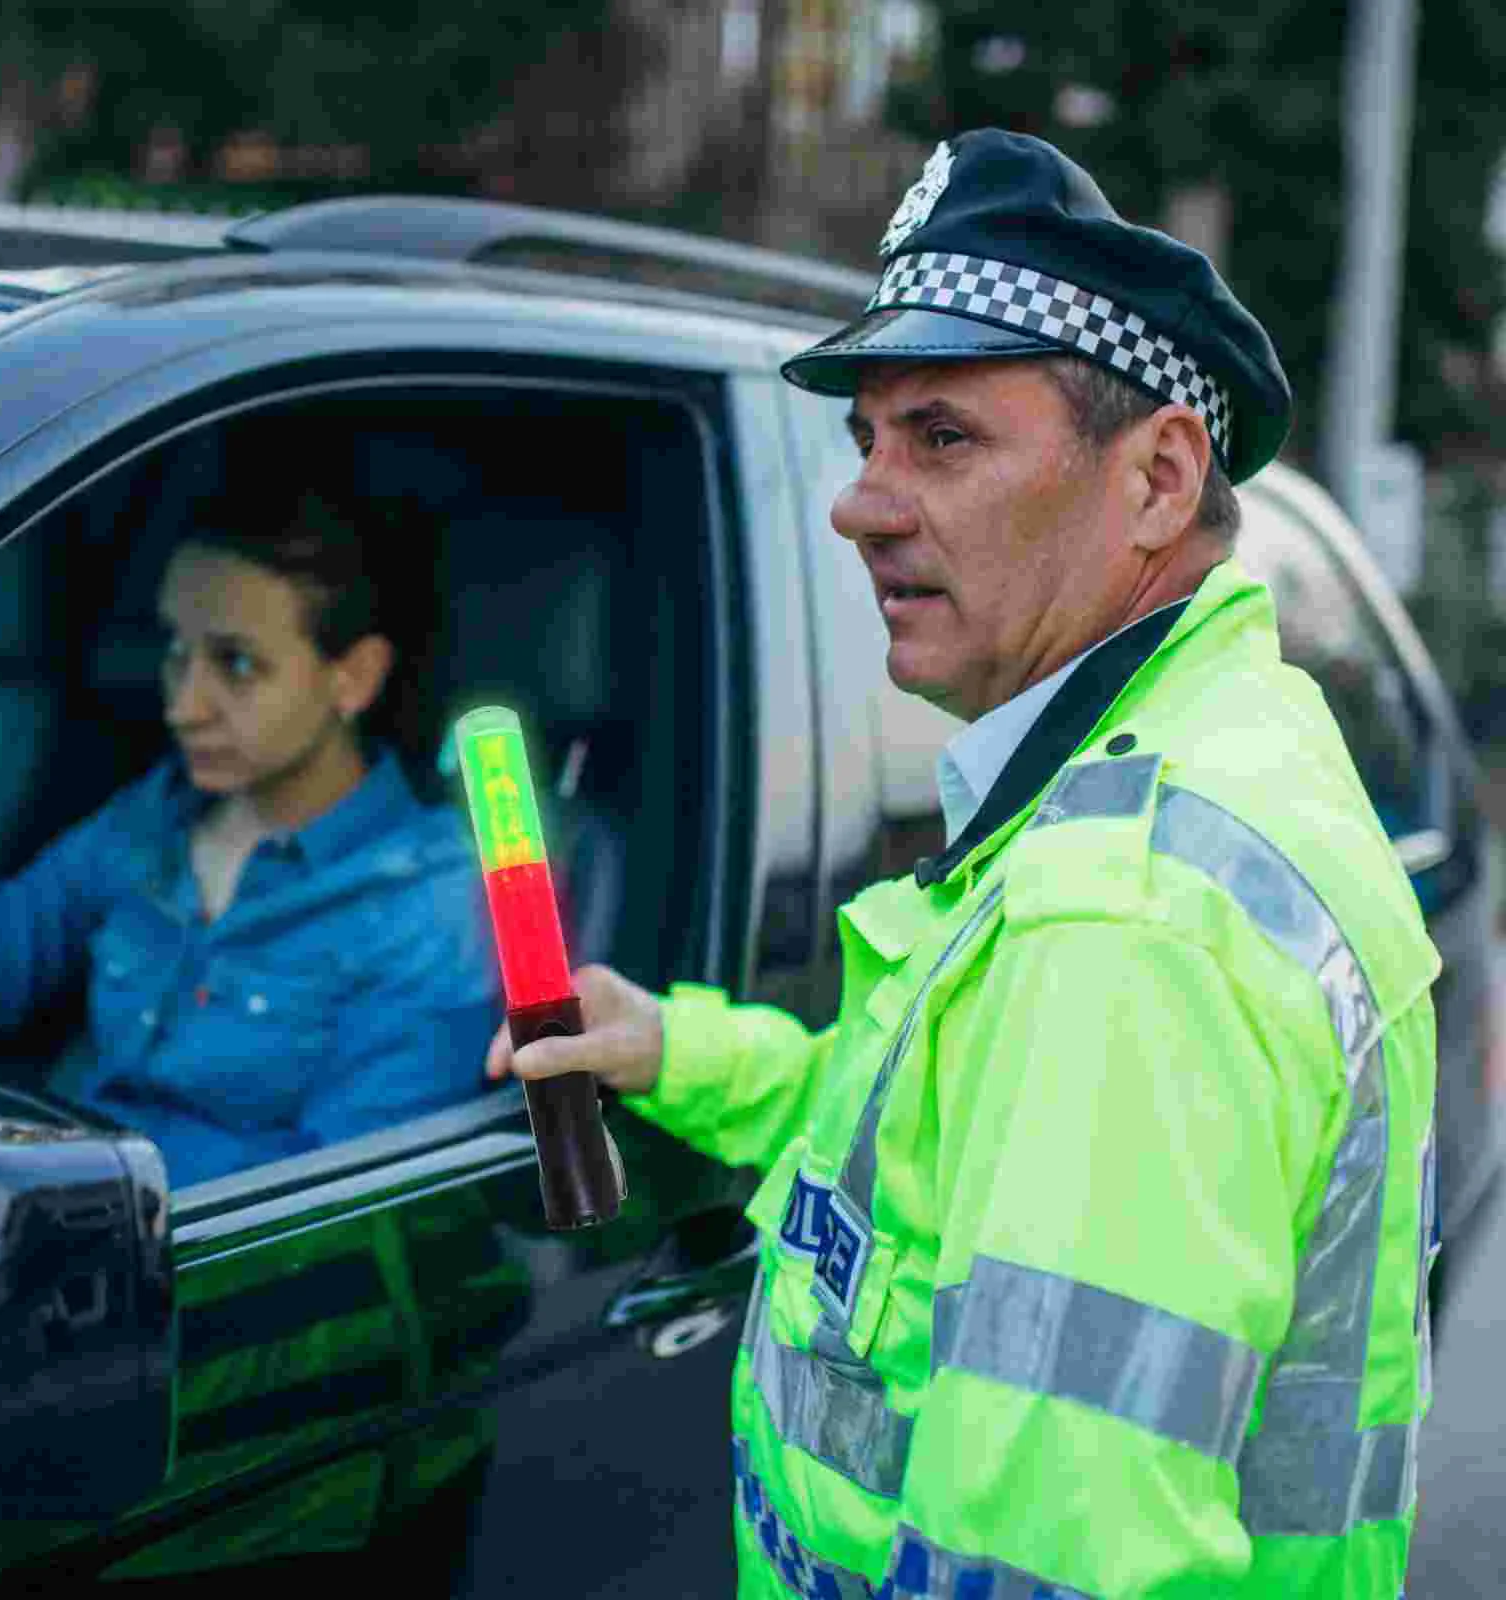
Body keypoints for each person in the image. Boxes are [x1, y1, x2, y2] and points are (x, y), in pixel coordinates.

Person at [487, 129, 1439, 1597]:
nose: (860, 501)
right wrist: (679, 1050)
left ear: (1156, 481)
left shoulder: (1126, 923)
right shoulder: (1143, 776)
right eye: (865, 439)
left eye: (942, 437)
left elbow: (1041, 1565)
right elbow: (941, 1167)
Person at [0, 487, 498, 1187]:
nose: (183, 706)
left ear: (355, 677)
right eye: (176, 651)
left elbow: (331, 1216)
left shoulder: (425, 910)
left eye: (237, 664)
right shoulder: (152, 817)